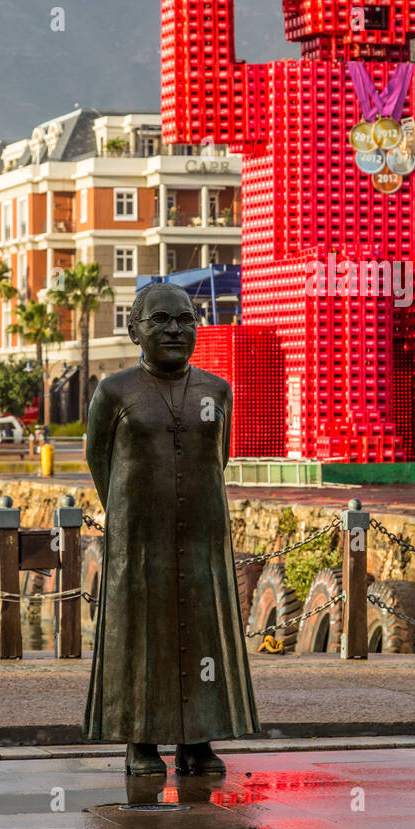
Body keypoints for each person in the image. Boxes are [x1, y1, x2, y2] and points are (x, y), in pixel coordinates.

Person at [83, 281, 259, 775]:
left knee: (204, 633)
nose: (176, 329)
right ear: (135, 329)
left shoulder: (216, 390)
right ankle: (140, 740)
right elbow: (101, 462)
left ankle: (197, 739)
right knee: (139, 634)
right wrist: (134, 513)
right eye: (161, 320)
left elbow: (217, 458)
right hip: (140, 538)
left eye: (186, 319)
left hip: (202, 538)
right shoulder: (114, 391)